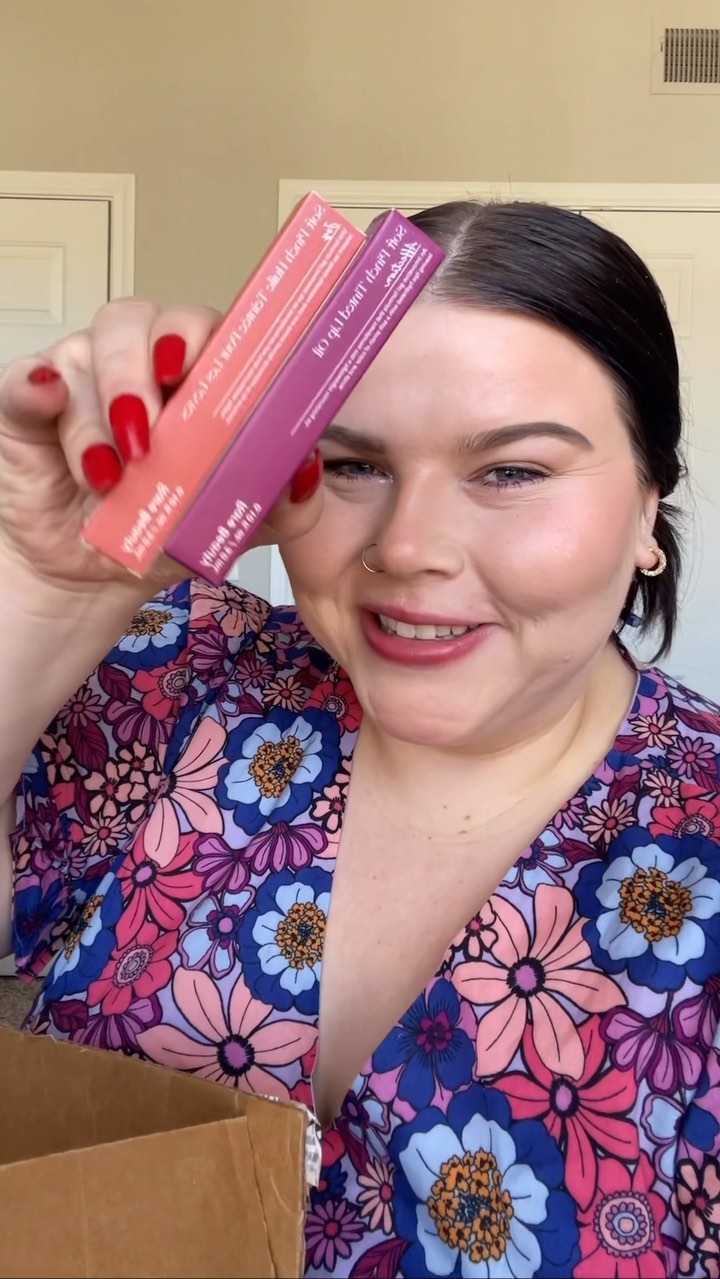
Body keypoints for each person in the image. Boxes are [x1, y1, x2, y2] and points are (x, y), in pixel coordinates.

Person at [0, 199, 718, 1279]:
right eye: (352, 465)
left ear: (649, 502)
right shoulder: (177, 673)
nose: (408, 546)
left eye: (512, 471)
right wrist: (41, 590)